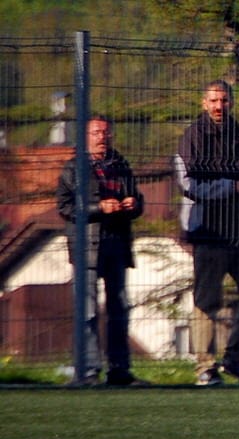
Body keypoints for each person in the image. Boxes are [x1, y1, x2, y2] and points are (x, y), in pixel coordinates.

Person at [175, 79, 239, 386]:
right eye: (214, 101)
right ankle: (205, 366)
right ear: (204, 103)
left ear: (231, 103)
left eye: (224, 101)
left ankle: (236, 358)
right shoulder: (192, 137)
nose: (219, 106)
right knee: (206, 300)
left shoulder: (238, 135)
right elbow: (188, 186)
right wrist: (231, 186)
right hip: (209, 231)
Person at [57, 114, 146, 386]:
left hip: (117, 244)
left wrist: (133, 204)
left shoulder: (120, 165)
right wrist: (98, 209)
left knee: (119, 308)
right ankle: (88, 371)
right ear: (85, 136)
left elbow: (138, 199)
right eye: (96, 132)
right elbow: (65, 207)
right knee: (88, 310)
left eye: (106, 132)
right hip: (87, 247)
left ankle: (120, 371)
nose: (101, 137)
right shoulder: (74, 168)